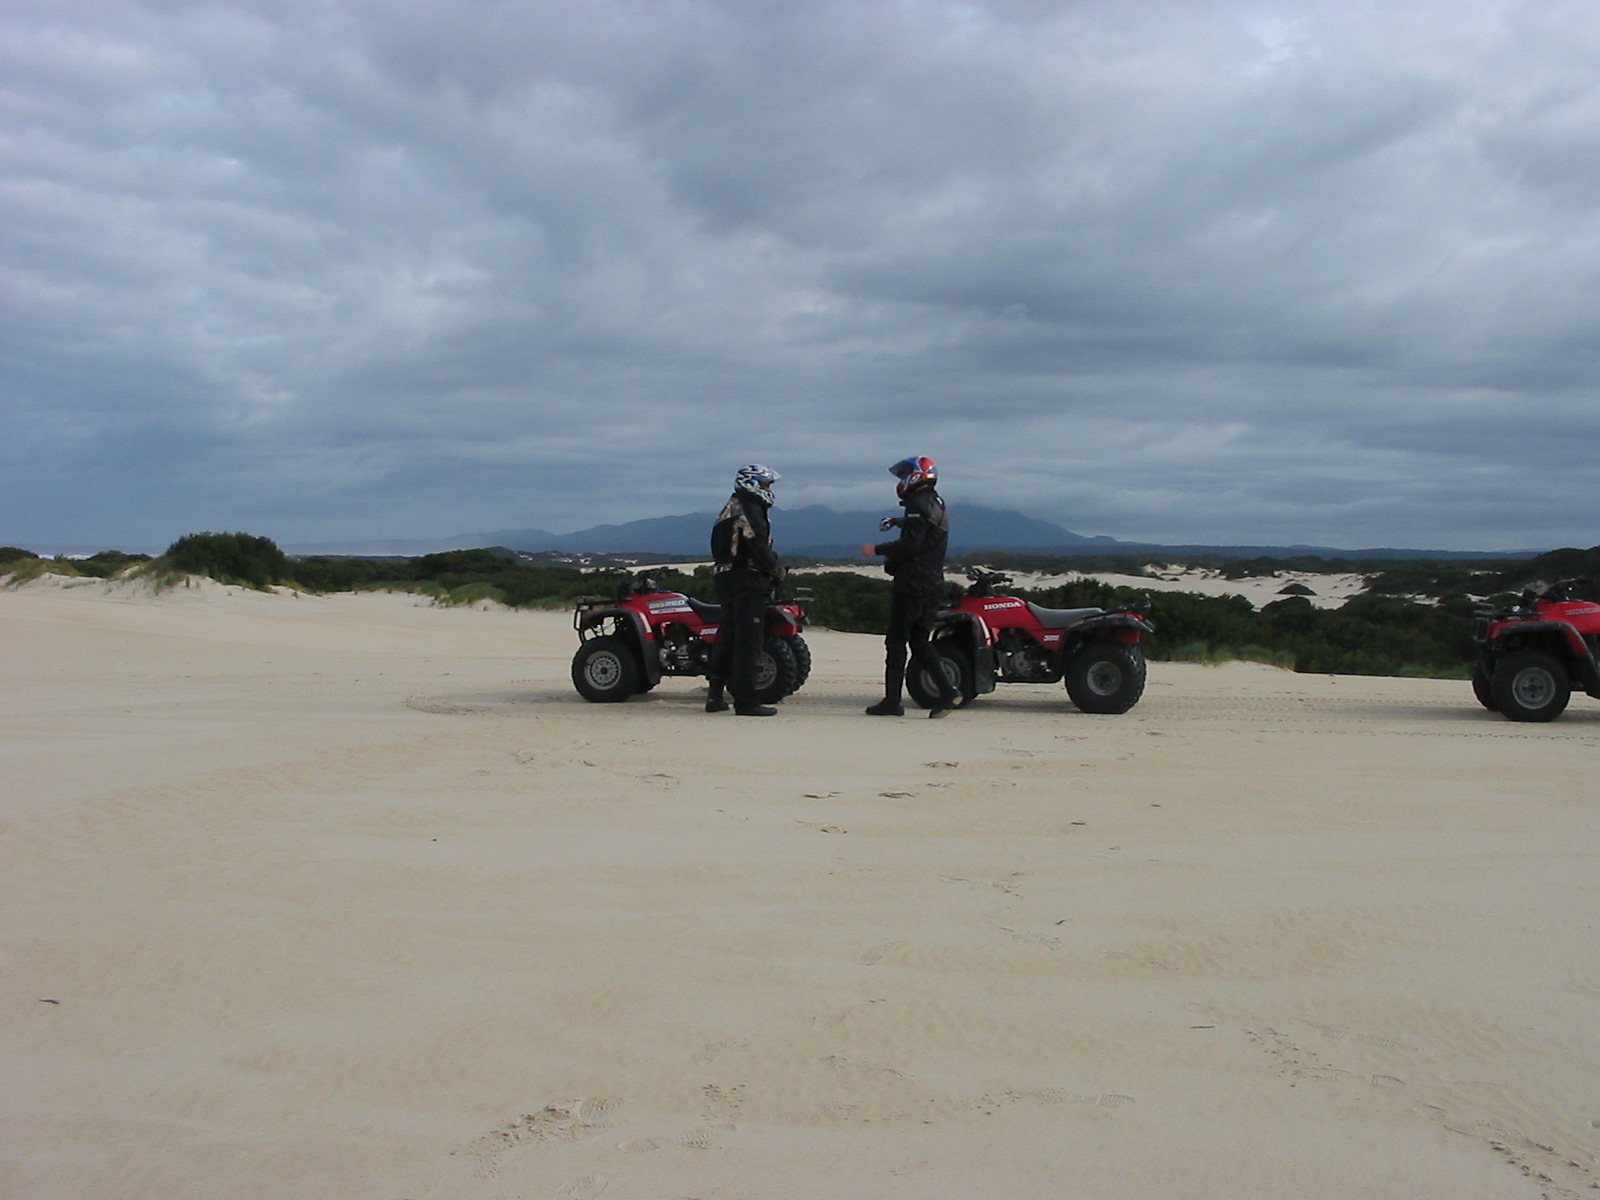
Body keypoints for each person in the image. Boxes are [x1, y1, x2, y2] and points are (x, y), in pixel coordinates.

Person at [860, 455, 961, 718]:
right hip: (932, 583)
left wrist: (877, 550)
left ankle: (892, 701)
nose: (902, 480)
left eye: (905, 474)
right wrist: (898, 521)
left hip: (913, 584)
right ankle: (948, 691)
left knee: (896, 642)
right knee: (919, 641)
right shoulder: (937, 502)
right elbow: (924, 527)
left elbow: (911, 545)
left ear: (917, 475)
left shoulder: (917, 503)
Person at [706, 464, 785, 716]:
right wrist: (776, 570)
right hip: (747, 583)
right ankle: (746, 701)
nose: (769, 489)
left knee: (727, 638)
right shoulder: (750, 510)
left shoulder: (728, 509)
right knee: (748, 643)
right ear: (752, 484)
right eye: (766, 484)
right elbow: (758, 547)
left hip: (725, 581)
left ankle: (715, 695)